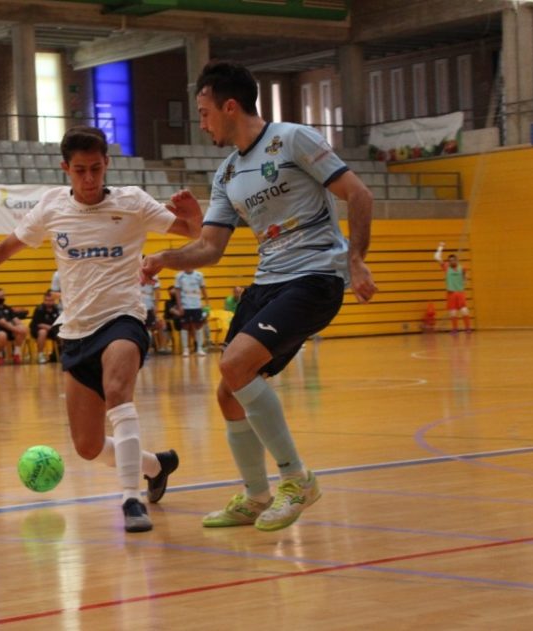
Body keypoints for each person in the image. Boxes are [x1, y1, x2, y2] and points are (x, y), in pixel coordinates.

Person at [142, 60, 377, 532]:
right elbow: (210, 247)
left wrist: (355, 259)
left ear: (230, 106)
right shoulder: (227, 173)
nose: (202, 122)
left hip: (314, 277)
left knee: (234, 365)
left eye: (205, 112)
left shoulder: (294, 139)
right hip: (268, 282)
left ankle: (297, 479)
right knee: (228, 393)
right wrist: (163, 258)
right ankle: (255, 495)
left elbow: (359, 195)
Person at [0, 125, 201, 532]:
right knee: (88, 447)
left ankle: (131, 499)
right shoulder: (51, 206)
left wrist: (194, 216)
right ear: (65, 169)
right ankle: (155, 466)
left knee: (118, 393)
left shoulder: (133, 202)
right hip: (75, 331)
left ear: (107, 163)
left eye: (96, 168)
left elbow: (191, 234)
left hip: (122, 319)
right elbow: (5, 248)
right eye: (80, 170)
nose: (90, 179)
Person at [435, 242, 472, 333]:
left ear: (456, 260)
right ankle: (454, 329)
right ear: (449, 261)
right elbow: (436, 257)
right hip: (451, 293)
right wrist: (440, 247)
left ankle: (468, 328)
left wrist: (465, 279)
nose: (452, 262)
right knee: (453, 312)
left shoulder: (461, 268)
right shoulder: (447, 267)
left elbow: (465, 274)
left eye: (454, 260)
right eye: (450, 260)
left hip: (460, 293)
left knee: (464, 311)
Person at [0, 288, 29, 364]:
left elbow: (15, 319)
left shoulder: (7, 308)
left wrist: (21, 327)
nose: (0, 298)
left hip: (9, 330)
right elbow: (2, 323)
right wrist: (16, 329)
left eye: (2, 296)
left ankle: (16, 354)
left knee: (23, 329)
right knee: (2, 335)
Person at [174, 268, 209, 356]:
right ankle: (185, 349)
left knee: (198, 326)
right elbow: (177, 292)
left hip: (197, 305)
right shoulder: (179, 276)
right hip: (185, 305)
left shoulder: (199, 275)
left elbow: (203, 289)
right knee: (185, 327)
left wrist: (207, 302)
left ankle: (199, 348)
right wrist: (179, 306)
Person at [29, 290, 61, 364]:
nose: (48, 302)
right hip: (37, 331)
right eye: (46, 300)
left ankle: (59, 354)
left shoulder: (56, 309)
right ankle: (40, 355)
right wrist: (51, 327)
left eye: (51, 300)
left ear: (54, 300)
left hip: (52, 330)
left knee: (63, 333)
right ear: (44, 300)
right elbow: (39, 324)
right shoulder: (39, 309)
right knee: (43, 332)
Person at [140, 274, 169, 354]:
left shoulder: (153, 275)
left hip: (149, 306)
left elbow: (157, 291)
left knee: (152, 326)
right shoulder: (134, 271)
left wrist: (156, 306)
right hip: (137, 306)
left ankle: (160, 348)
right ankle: (145, 349)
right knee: (144, 327)